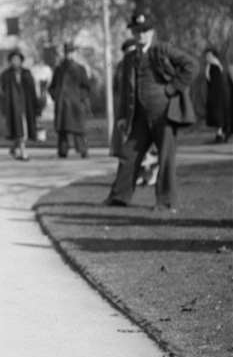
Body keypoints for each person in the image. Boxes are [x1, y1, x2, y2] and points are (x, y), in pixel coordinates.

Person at [106, 11, 196, 211]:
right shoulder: (130, 58)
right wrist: (122, 118)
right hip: (139, 118)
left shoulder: (163, 49)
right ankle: (119, 197)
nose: (141, 35)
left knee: (165, 158)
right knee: (128, 155)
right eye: (137, 31)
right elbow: (126, 91)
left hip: (164, 115)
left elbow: (191, 65)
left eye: (144, 31)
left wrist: (172, 88)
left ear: (152, 32)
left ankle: (166, 202)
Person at [49, 42, 92, 158]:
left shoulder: (80, 69)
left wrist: (80, 98)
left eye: (71, 52)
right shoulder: (59, 69)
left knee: (79, 128)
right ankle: (63, 150)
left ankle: (83, 149)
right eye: (67, 52)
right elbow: (52, 86)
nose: (69, 55)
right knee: (62, 129)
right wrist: (56, 96)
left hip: (75, 103)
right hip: (62, 103)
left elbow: (86, 86)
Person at [0, 49, 40, 161]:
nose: (15, 61)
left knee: (24, 129)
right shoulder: (5, 75)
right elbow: (1, 91)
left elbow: (32, 90)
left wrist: (36, 106)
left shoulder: (26, 73)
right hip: (13, 105)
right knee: (19, 129)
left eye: (17, 59)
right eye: (13, 59)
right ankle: (23, 152)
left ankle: (14, 148)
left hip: (26, 104)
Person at [202, 47, 232, 143]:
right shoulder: (215, 65)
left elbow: (216, 84)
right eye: (207, 55)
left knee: (218, 116)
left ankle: (220, 136)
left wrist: (211, 98)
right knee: (220, 117)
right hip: (220, 95)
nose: (207, 57)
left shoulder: (214, 66)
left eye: (209, 55)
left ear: (213, 56)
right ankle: (221, 135)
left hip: (217, 96)